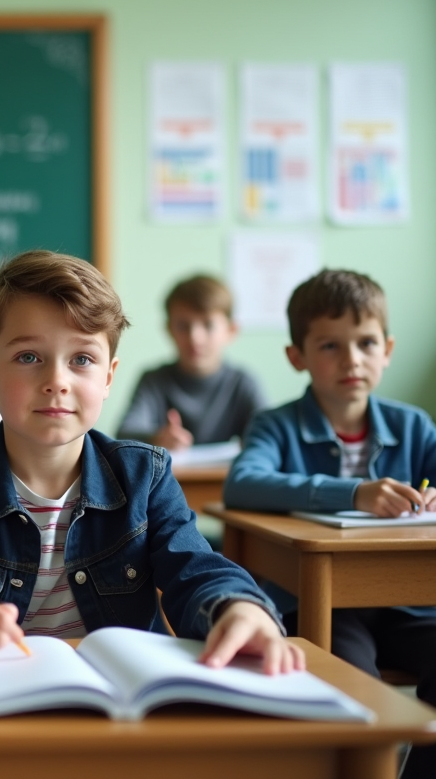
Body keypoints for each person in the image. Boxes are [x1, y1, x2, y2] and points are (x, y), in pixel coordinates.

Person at [0, 251, 302, 677]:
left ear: (108, 377)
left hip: (123, 703)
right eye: (28, 357)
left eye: (81, 359)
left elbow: (198, 570)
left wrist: (239, 608)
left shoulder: (145, 476)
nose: (56, 381)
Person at [223, 268, 435, 779]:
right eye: (330, 346)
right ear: (297, 357)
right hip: (323, 606)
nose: (352, 360)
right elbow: (243, 483)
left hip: (409, 603)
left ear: (387, 349)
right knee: (352, 686)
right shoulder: (276, 425)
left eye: (366, 343)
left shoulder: (413, 425)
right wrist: (355, 493)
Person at [118, 274, 267, 450]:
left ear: (231, 330)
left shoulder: (242, 383)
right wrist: (157, 438)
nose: (195, 338)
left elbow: (267, 435)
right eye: (183, 326)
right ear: (169, 329)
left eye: (208, 325)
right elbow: (124, 433)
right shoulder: (153, 380)